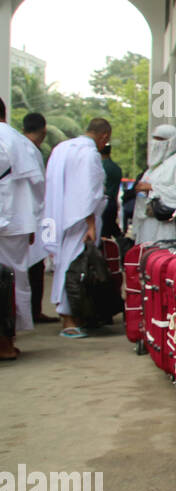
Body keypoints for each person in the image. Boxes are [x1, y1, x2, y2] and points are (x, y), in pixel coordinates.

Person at [43, 117, 110, 337]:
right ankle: (68, 317)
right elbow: (89, 192)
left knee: (64, 263)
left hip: (59, 215)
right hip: (80, 220)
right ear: (104, 137)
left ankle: (74, 313)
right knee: (75, 268)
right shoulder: (89, 154)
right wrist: (90, 224)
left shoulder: (62, 147)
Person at [0, 113, 46, 357]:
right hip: (14, 221)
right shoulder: (19, 142)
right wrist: (33, 221)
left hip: (12, 220)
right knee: (12, 280)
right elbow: (37, 185)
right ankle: (6, 343)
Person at [130, 124, 176, 244]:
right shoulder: (153, 167)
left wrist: (152, 188)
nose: (156, 143)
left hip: (165, 226)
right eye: (155, 139)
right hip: (147, 223)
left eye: (161, 140)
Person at [18, 113, 52, 323]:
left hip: (20, 214)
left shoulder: (18, 144)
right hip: (29, 216)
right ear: (44, 131)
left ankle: (28, 311)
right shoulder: (30, 150)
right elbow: (37, 186)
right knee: (33, 266)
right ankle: (31, 312)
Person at [99, 141, 123, 240]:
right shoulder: (117, 168)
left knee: (102, 234)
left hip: (103, 204)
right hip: (113, 202)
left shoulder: (100, 167)